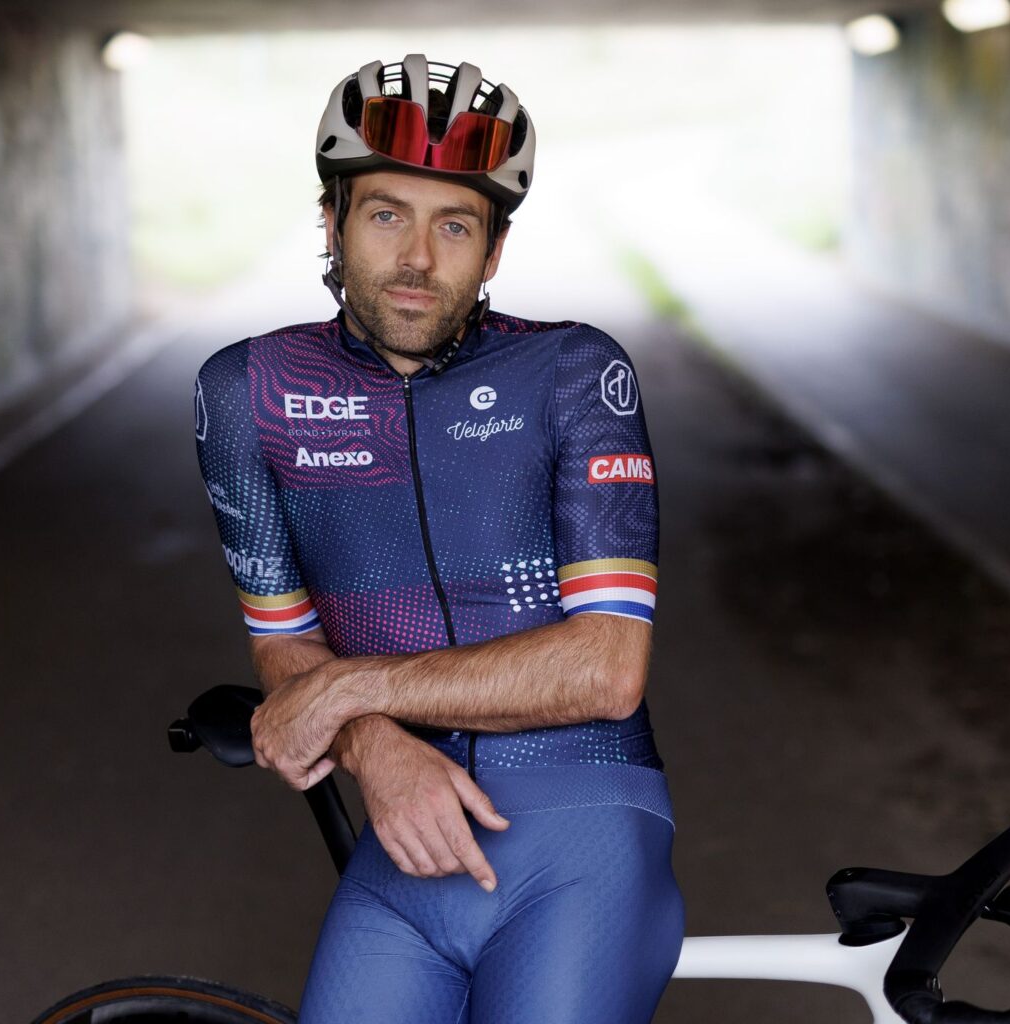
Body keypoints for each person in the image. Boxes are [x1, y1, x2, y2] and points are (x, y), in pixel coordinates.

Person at [193, 54, 682, 1022]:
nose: (418, 257)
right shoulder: (246, 394)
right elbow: (283, 641)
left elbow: (604, 670)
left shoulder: (574, 374)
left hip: (580, 827)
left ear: (493, 252)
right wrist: (375, 745)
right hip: (402, 835)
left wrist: (353, 689)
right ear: (331, 223)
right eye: (386, 215)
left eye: (454, 224)